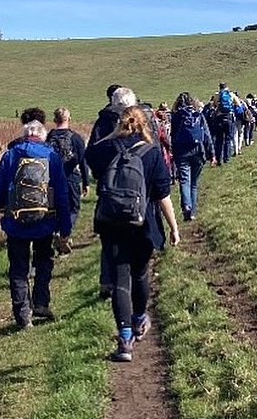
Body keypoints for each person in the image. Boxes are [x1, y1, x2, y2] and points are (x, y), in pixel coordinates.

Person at [85, 106, 180, 362]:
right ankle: (139, 319)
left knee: (119, 279)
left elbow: (90, 159)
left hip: (111, 223)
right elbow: (163, 195)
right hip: (144, 224)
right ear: (144, 124)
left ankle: (125, 339)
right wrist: (173, 227)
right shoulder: (151, 152)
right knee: (139, 273)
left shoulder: (105, 148)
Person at [0, 120, 71, 329]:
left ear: (24, 135)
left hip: (15, 222)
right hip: (45, 221)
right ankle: (41, 302)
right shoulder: (51, 156)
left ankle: (23, 316)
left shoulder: (11, 155)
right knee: (43, 262)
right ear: (42, 136)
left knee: (18, 269)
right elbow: (61, 193)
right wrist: (65, 227)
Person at [88, 86, 138, 299]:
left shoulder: (102, 121)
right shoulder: (136, 121)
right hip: (134, 191)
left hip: (107, 190)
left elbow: (91, 154)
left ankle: (107, 282)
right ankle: (132, 282)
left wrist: (102, 175)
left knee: (108, 240)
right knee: (133, 236)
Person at [170, 92, 216, 221]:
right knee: (194, 183)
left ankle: (187, 207)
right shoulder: (198, 114)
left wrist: (173, 150)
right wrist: (212, 154)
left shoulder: (176, 116)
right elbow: (206, 135)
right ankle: (193, 211)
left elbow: (172, 136)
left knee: (184, 180)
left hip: (181, 153)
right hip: (198, 151)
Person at [46, 107, 89, 230]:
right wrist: (86, 182)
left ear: (55, 120)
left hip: (52, 179)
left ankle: (57, 232)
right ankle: (65, 233)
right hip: (71, 178)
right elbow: (82, 161)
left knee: (54, 208)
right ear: (69, 118)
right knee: (73, 208)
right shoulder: (76, 138)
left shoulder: (49, 138)